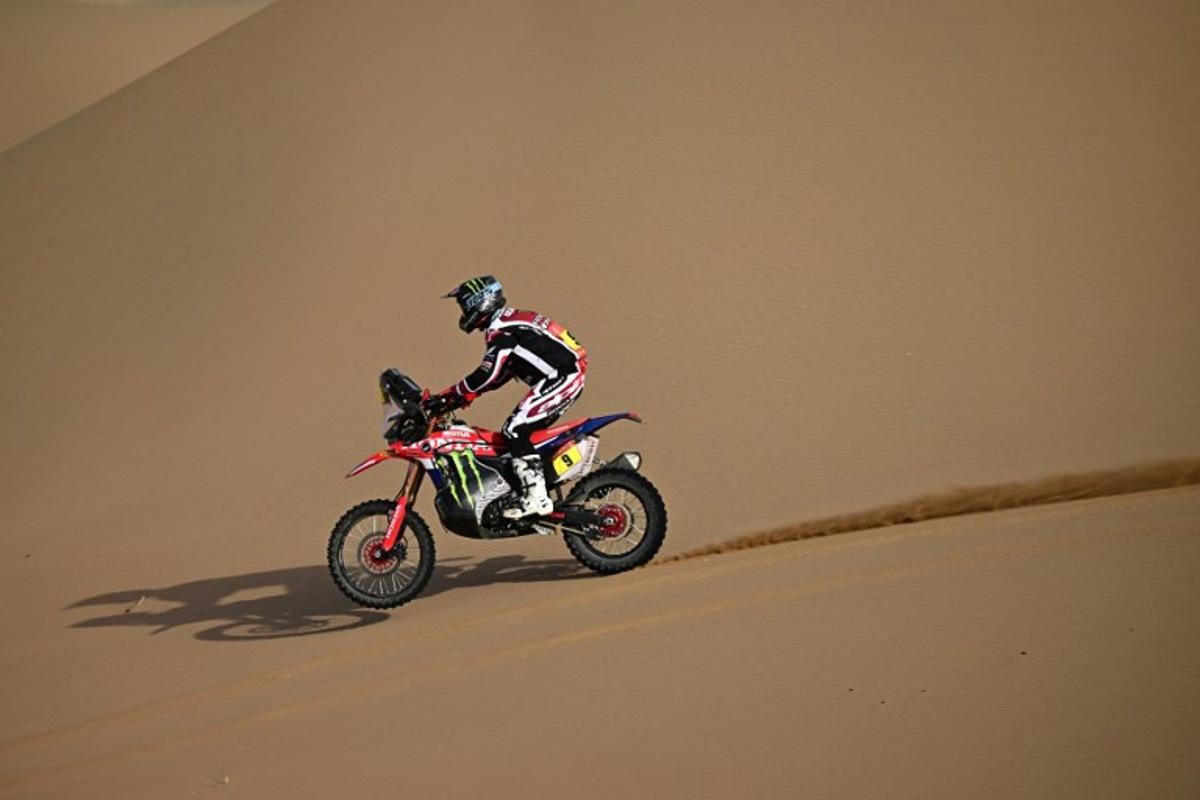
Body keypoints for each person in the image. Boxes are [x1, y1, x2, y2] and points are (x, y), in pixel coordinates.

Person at [423, 276, 587, 519]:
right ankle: (531, 487)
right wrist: (461, 396)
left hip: (563, 377)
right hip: (559, 375)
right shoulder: (507, 321)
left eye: (465, 305)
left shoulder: (502, 329)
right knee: (520, 433)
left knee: (515, 430)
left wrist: (453, 392)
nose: (463, 312)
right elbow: (502, 373)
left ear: (481, 302)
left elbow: (487, 373)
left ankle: (537, 498)